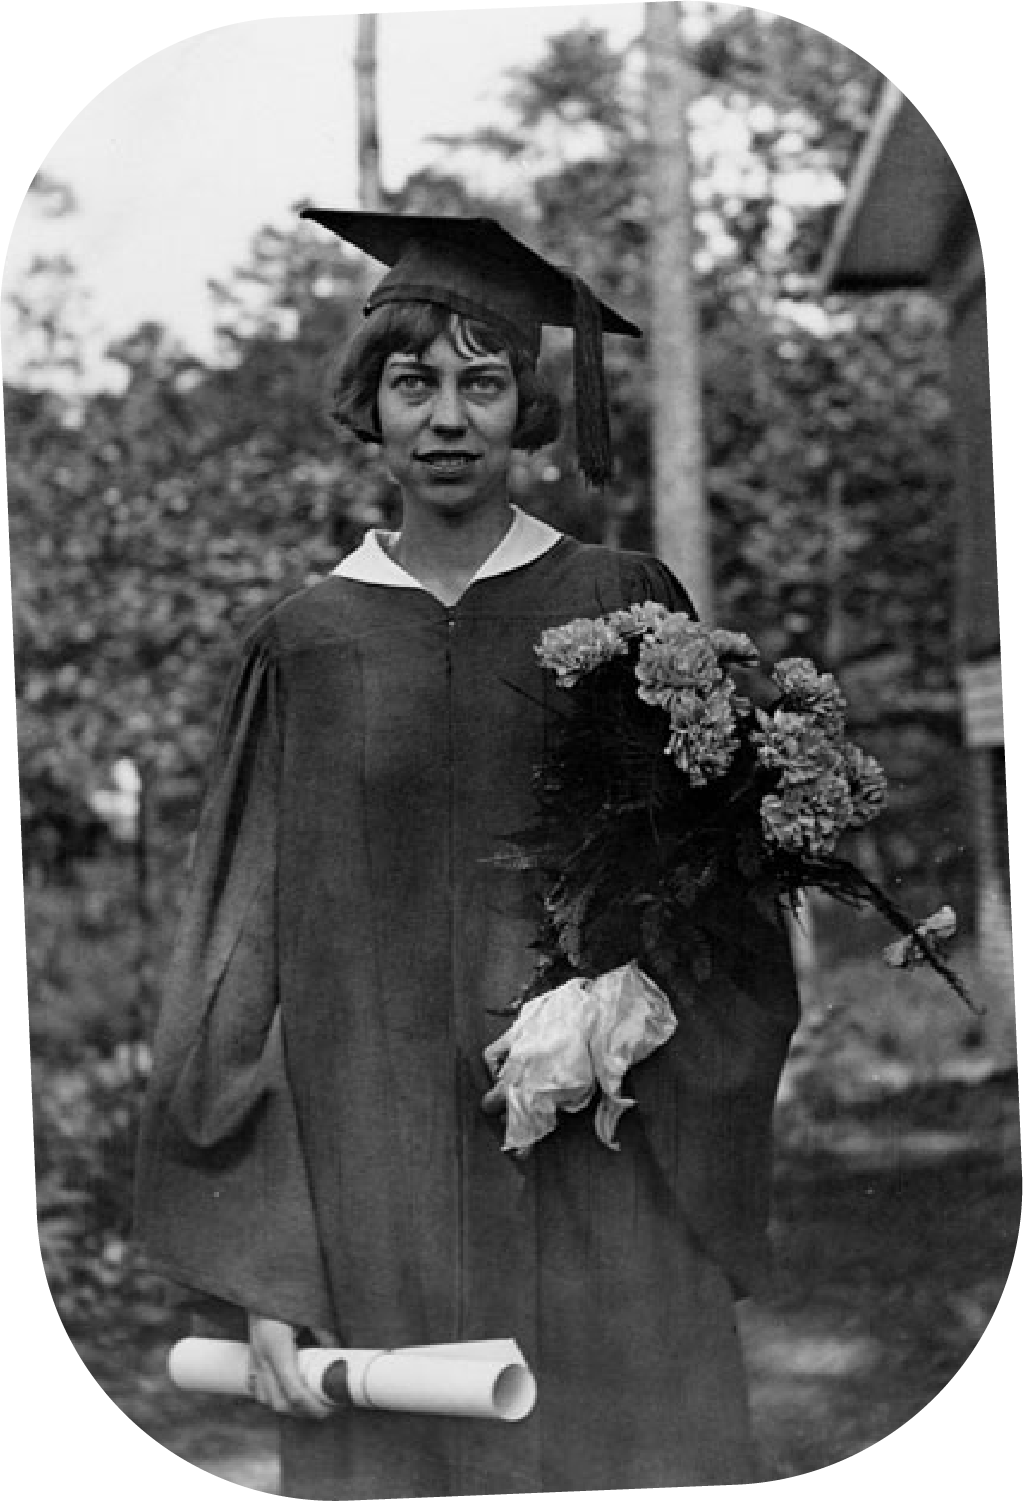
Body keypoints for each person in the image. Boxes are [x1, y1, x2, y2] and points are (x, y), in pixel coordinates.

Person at [135, 211, 800, 1499]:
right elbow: (235, 967)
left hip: (601, 1171)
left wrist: (636, 998)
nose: (447, 418)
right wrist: (269, 1272)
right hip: (369, 1196)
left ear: (527, 408)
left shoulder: (620, 604)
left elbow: (725, 899)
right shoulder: (307, 649)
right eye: (413, 382)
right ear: (369, 408)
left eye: (482, 382)